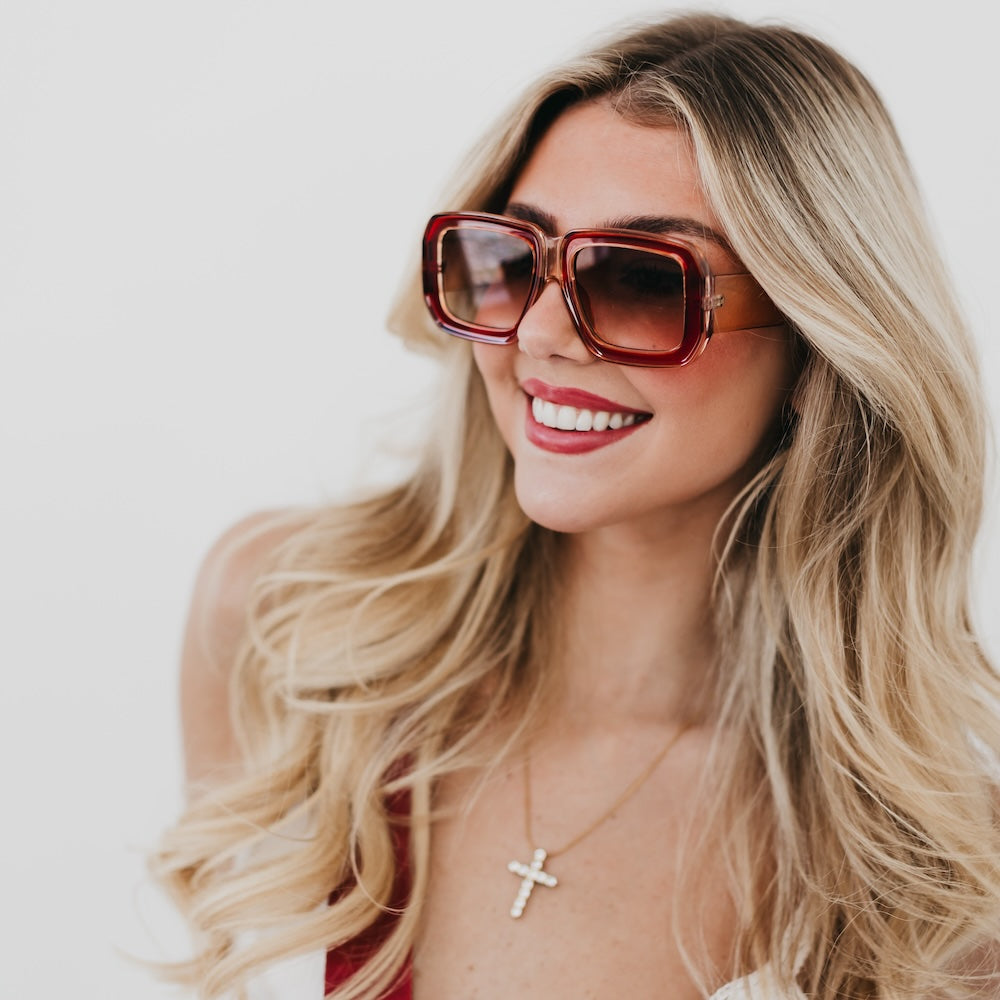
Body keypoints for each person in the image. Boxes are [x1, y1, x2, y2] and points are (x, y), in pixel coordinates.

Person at [153, 12, 1000, 999]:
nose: (541, 335)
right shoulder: (282, 626)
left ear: (817, 348)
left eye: (640, 279)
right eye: (512, 259)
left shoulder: (934, 891)